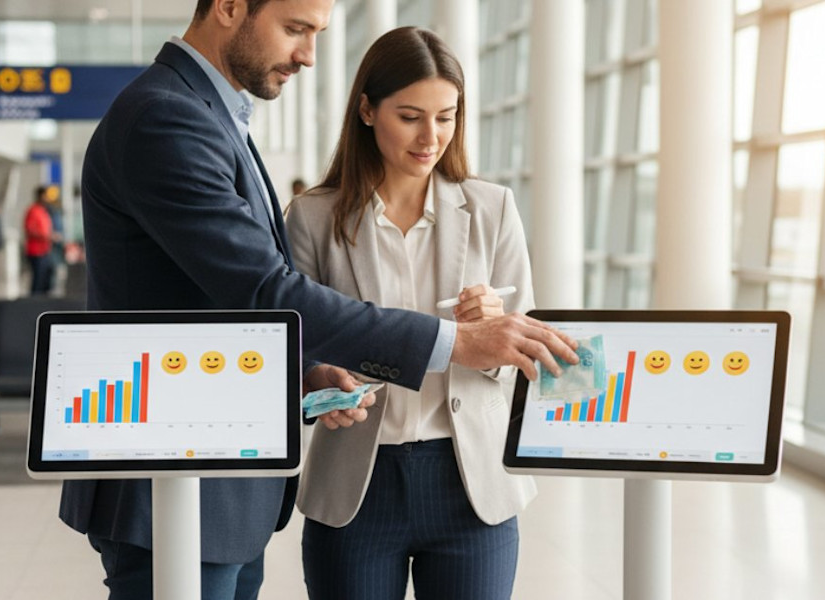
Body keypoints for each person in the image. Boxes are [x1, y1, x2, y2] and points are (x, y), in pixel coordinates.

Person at [62, 1, 578, 598]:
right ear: (229, 7)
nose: (308, 54)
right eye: (295, 29)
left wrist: (306, 374)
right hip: (178, 478)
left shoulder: (211, 115)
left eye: (316, 34)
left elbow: (239, 301)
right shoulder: (168, 119)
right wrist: (456, 341)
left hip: (216, 481)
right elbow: (268, 291)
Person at [285, 27, 534, 599]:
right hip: (357, 485)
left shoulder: (493, 208)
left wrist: (495, 331)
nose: (432, 136)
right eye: (411, 116)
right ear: (367, 111)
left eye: (446, 116)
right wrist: (317, 377)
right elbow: (296, 342)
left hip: (470, 482)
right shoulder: (312, 218)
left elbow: (527, 355)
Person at [24, 186, 55, 295]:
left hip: (45, 250)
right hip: (36, 252)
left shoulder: (43, 212)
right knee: (38, 281)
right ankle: (34, 304)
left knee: (45, 280)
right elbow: (31, 230)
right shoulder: (33, 211)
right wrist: (47, 236)